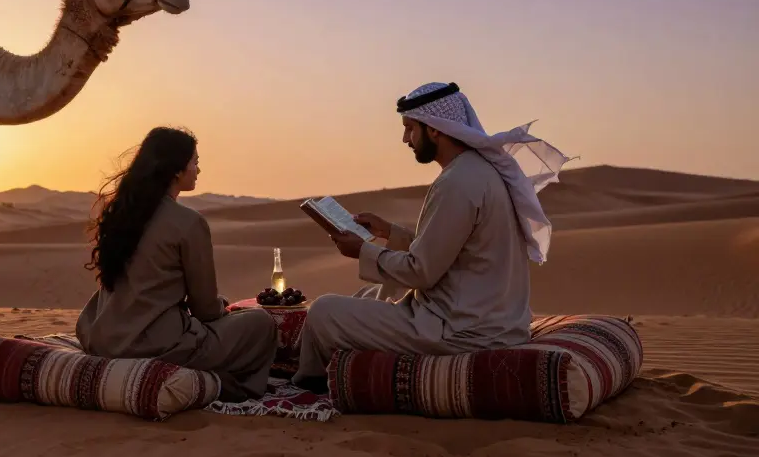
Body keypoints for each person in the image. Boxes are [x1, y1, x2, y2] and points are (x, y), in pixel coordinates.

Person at [292, 82, 570, 392]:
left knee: (324, 311)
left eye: (410, 128)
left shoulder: (458, 182)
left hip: (462, 329)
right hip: (489, 318)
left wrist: (361, 251)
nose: (405, 139)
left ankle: (308, 385)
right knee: (366, 298)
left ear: (435, 129)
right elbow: (451, 251)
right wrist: (388, 232)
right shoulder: (480, 171)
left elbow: (421, 271)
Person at [75, 126, 278, 402]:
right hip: (155, 343)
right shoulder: (188, 222)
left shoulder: (121, 212)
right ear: (175, 170)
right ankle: (232, 388)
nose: (198, 170)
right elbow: (206, 310)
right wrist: (223, 306)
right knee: (260, 323)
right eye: (194, 162)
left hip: (101, 337)